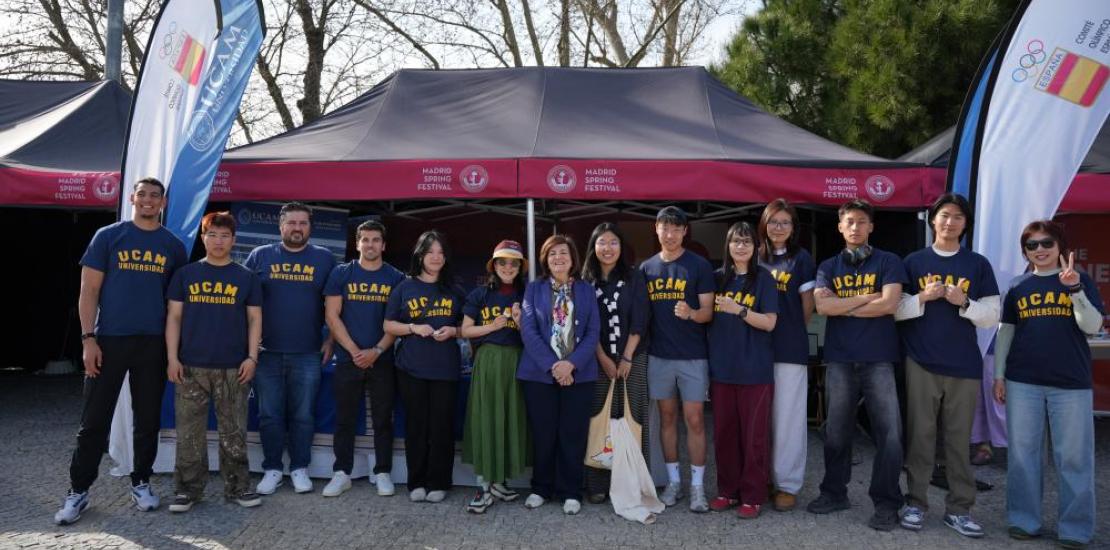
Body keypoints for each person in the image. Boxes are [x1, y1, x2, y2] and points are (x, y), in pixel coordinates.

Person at [55, 177, 188, 525]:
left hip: (153, 343)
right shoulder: (108, 236)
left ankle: (141, 481)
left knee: (147, 420)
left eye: (154, 196)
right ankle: (78, 491)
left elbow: (176, 306)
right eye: (142, 195)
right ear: (132, 197)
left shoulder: (173, 246)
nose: (147, 200)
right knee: (93, 421)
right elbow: (89, 290)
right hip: (109, 341)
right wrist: (88, 339)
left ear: (163, 203)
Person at [894, 193, 999, 537]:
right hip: (921, 361)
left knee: (958, 440)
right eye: (944, 215)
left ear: (965, 224)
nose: (950, 222)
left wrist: (963, 301)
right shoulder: (913, 261)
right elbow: (894, 310)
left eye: (957, 217)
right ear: (933, 220)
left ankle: (959, 509)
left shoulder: (977, 264)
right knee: (921, 436)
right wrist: (923, 297)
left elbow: (991, 317)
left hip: (964, 364)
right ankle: (916, 503)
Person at [995, 220, 1103, 548]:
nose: (1040, 250)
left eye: (1046, 243)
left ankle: (1075, 529)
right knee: (1024, 456)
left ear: (1060, 246)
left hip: (1070, 382)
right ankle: (1023, 522)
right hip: (1022, 381)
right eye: (1032, 245)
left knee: (1074, 457)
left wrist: (1074, 290)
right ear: (1025, 251)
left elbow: (1093, 326)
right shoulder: (1017, 285)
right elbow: (1006, 333)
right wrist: (998, 375)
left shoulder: (1078, 279)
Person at [808, 199, 906, 531]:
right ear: (839, 227)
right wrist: (867, 298)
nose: (855, 227)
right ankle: (834, 493)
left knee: (889, 433)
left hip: (878, 359)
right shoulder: (828, 266)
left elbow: (890, 303)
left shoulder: (889, 261)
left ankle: (887, 503)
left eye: (861, 221)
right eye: (849, 221)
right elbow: (822, 306)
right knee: (836, 432)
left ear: (871, 227)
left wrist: (843, 305)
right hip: (839, 359)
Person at [164, 212, 263, 512]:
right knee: (189, 432)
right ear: (203, 238)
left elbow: (255, 318)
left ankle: (238, 487)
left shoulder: (246, 277)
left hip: (234, 367)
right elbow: (174, 317)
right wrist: (172, 358)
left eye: (224, 236)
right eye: (212, 235)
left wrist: (252, 357)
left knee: (233, 431)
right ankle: (187, 490)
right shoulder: (185, 274)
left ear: (233, 240)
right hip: (191, 366)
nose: (218, 241)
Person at [245, 202, 337, 495]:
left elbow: (336, 307)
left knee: (303, 415)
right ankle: (272, 468)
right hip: (266, 352)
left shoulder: (324, 259)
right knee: (269, 415)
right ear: (281, 226)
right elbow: (244, 305)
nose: (297, 228)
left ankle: (299, 467)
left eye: (303, 223)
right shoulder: (260, 256)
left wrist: (331, 340)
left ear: (310, 227)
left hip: (308, 352)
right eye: (292, 223)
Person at [517, 235, 601, 515]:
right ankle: (541, 488)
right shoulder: (533, 289)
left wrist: (571, 364)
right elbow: (527, 330)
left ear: (573, 258)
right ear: (545, 259)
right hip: (540, 375)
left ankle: (571, 491)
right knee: (544, 434)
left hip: (579, 375)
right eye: (552, 254)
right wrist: (554, 366)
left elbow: (592, 333)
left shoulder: (587, 290)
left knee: (572, 434)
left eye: (563, 253)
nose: (558, 258)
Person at [639, 206, 715, 512]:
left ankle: (697, 488)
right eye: (664, 228)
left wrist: (692, 313)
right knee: (667, 419)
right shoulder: (646, 268)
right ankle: (673, 483)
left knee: (695, 420)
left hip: (693, 357)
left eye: (675, 229)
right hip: (659, 357)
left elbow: (709, 313)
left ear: (685, 232)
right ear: (656, 230)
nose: (669, 235)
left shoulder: (699, 266)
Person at [321, 220, 405, 497]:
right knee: (345, 419)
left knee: (383, 419)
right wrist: (355, 351)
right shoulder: (341, 273)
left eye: (375, 240)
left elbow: (395, 322)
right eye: (365, 240)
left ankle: (382, 471)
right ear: (357, 243)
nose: (370, 245)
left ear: (384, 244)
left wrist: (377, 351)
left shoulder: (395, 277)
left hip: (382, 359)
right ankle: (341, 472)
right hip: (348, 358)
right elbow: (332, 316)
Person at [384, 230, 464, 504]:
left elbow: (468, 327)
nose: (436, 257)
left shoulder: (455, 290)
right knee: (416, 427)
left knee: (441, 428)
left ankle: (439, 482)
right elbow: (388, 325)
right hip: (411, 369)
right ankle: (416, 481)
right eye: (431, 252)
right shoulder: (404, 288)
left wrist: (453, 331)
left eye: (441, 252)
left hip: (445, 370)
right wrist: (413, 327)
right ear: (420, 255)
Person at [707, 222, 779, 519]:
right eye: (736, 241)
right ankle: (727, 490)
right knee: (724, 433)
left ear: (756, 247)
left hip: (755, 370)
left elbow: (770, 322)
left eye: (747, 241)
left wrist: (739, 309)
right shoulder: (716, 278)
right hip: (722, 369)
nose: (741, 246)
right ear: (728, 245)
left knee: (753, 437)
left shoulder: (764, 279)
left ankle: (753, 495)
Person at [580, 223, 651, 504]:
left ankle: (631, 480)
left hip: (633, 357)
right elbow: (585, 324)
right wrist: (602, 358)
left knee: (632, 416)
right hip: (596, 359)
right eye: (602, 243)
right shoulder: (585, 281)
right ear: (593, 247)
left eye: (613, 243)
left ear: (622, 247)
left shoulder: (635, 277)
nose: (607, 248)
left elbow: (641, 319)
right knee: (599, 416)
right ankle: (597, 483)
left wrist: (626, 356)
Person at [756, 199, 816, 513]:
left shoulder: (801, 258)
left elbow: (807, 306)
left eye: (786, 222)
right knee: (759, 418)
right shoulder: (753, 257)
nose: (779, 228)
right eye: (774, 221)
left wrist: (791, 331)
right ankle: (761, 476)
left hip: (788, 348)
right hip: (754, 348)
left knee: (788, 419)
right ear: (764, 224)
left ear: (793, 228)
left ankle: (787, 484)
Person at [461, 240, 529, 513]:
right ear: (494, 265)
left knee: (509, 419)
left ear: (520, 267)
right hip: (488, 360)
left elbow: (537, 335)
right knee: (487, 418)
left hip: (517, 360)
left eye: (513, 263)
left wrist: (521, 320)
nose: (508, 267)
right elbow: (465, 330)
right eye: (503, 262)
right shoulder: (481, 294)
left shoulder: (528, 294)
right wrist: (491, 326)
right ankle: (483, 483)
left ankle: (499, 480)